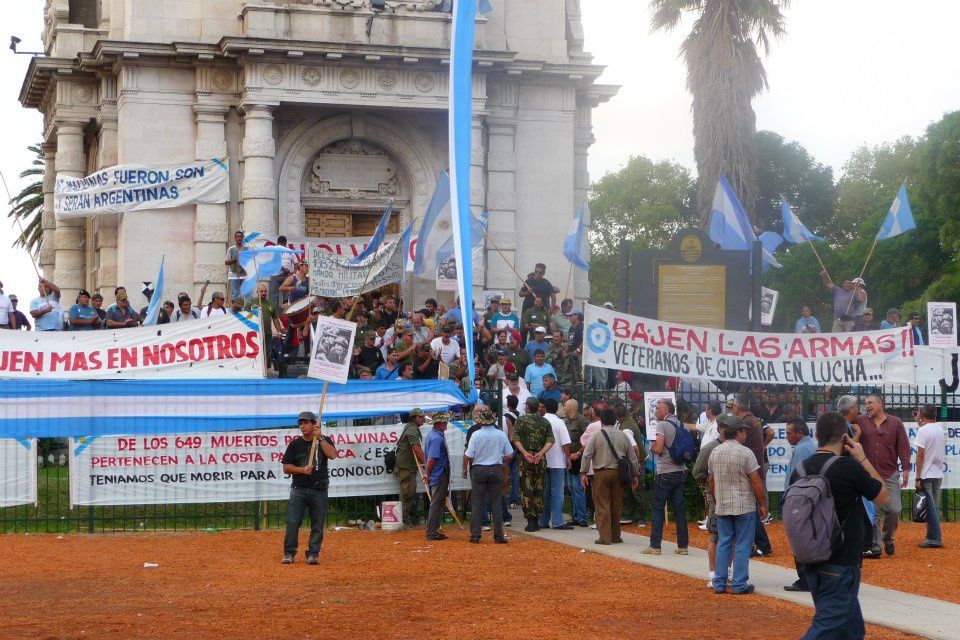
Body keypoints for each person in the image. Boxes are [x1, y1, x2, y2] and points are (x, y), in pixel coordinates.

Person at [793, 411, 887, 640]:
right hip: (841, 562)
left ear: (816, 435)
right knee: (828, 625)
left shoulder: (801, 469)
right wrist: (862, 458)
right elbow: (883, 496)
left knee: (853, 631)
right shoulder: (848, 467)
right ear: (845, 437)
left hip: (812, 560)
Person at [709, 415, 767, 595]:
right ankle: (739, 584)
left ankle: (719, 582)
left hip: (723, 504)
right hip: (743, 505)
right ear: (738, 432)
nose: (746, 435)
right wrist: (762, 504)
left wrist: (716, 497)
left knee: (723, 543)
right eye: (744, 431)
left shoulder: (715, 452)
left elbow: (711, 480)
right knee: (743, 544)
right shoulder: (746, 453)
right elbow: (755, 481)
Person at [280, 410, 338, 564]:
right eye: (301, 423)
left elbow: (332, 455)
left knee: (318, 523)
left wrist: (320, 439)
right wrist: (302, 470)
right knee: (293, 522)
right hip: (298, 489)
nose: (303, 426)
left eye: (306, 423)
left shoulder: (324, 440)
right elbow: (286, 467)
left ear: (314, 424)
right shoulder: (295, 444)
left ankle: (313, 554)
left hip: (319, 489)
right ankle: (289, 553)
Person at [855, 393, 909, 556]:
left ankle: (888, 538)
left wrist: (905, 468)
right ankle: (876, 546)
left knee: (893, 509)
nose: (867, 406)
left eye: (870, 402)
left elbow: (903, 446)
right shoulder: (860, 421)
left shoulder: (896, 423)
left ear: (880, 404)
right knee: (873, 512)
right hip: (869, 474)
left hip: (889, 472)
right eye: (865, 403)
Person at [580, 407, 639, 545]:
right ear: (615, 420)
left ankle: (605, 537)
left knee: (602, 505)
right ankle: (615, 536)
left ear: (601, 421)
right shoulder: (622, 435)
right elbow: (633, 457)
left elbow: (587, 454)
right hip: (619, 474)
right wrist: (634, 474)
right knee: (617, 505)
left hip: (600, 473)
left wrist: (583, 473)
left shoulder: (596, 435)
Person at [643, 399, 689, 555]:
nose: (656, 411)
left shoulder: (662, 425)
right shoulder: (682, 425)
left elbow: (659, 447)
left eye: (659, 409)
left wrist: (652, 447)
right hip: (681, 470)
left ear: (667, 410)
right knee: (679, 510)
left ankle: (655, 546)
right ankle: (683, 546)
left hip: (665, 472)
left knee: (657, 509)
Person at [731, 394, 774, 556]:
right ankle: (762, 544)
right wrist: (763, 446)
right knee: (752, 510)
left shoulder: (744, 424)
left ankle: (759, 544)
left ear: (737, 407)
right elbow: (770, 433)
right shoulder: (756, 420)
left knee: (749, 511)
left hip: (749, 470)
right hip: (756, 467)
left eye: (733, 407)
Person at [463, 406, 513, 544]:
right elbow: (509, 455)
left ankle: (475, 535)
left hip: (479, 469)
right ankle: (498, 536)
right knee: (496, 503)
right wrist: (498, 459)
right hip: (495, 469)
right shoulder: (501, 434)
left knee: (477, 503)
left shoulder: (476, 434)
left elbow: (468, 455)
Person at [783, 418, 817, 592]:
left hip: (800, 501)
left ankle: (805, 579)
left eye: (789, 433)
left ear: (799, 433)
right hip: (809, 500)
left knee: (799, 540)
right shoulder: (810, 445)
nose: (787, 436)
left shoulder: (803, 449)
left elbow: (798, 478)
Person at [692, 417, 727, 588]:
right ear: (720, 429)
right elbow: (697, 472)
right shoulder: (710, 448)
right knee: (715, 536)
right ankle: (713, 574)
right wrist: (708, 486)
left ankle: (727, 571)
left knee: (730, 538)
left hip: (730, 498)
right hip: (716, 498)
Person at [511, 396, 555, 531]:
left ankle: (530, 520)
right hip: (539, 459)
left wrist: (524, 452)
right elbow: (550, 440)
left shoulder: (520, 420)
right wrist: (541, 453)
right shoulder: (545, 421)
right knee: (539, 488)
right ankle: (537, 519)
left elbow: (515, 438)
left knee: (526, 488)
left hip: (526, 459)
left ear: (527, 407)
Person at [538, 398, 573, 530]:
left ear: (545, 408)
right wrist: (568, 458)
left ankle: (543, 519)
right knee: (557, 492)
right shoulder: (559, 422)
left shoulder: (541, 421)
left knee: (546, 491)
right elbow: (565, 443)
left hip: (543, 459)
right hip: (557, 461)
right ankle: (557, 520)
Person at [914, 404, 945, 549]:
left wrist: (918, 477)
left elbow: (920, 456)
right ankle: (932, 536)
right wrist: (919, 423)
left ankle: (934, 538)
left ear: (921, 415)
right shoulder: (939, 429)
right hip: (938, 472)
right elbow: (927, 430)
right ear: (935, 415)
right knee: (934, 506)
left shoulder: (922, 431)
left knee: (930, 508)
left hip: (926, 473)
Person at [615, 403, 648, 526]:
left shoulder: (625, 429)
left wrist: (637, 463)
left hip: (634, 461)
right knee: (630, 488)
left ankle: (641, 518)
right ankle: (629, 516)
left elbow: (635, 448)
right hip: (633, 461)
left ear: (619, 417)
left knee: (636, 489)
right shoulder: (630, 421)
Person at [394, 409, 426, 525]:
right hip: (406, 467)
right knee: (408, 493)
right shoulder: (412, 429)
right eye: (420, 417)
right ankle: (403, 520)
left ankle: (403, 519)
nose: (423, 419)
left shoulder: (411, 427)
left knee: (407, 493)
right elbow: (416, 449)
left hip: (406, 466)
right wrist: (426, 465)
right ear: (414, 418)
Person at [424, 411, 452, 541]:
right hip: (439, 473)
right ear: (438, 423)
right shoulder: (437, 438)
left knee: (437, 502)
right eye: (444, 422)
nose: (446, 423)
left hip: (437, 473)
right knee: (436, 503)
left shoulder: (433, 435)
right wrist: (427, 474)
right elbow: (431, 459)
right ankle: (431, 532)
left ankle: (433, 531)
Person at [563, 399, 590, 527]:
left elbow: (588, 439)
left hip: (579, 458)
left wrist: (578, 453)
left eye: (565, 405)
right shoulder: (566, 421)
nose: (564, 407)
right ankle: (576, 515)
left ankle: (582, 516)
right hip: (570, 458)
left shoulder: (581, 420)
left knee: (578, 488)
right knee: (572, 488)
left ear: (570, 407)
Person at [225, 230, 249, 299]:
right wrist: (234, 260)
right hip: (234, 274)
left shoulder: (247, 249)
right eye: (237, 236)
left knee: (246, 293)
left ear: (243, 238)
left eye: (240, 236)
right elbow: (226, 262)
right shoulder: (231, 249)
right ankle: (236, 309)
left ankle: (245, 309)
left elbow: (250, 260)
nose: (239, 238)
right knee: (235, 294)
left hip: (244, 274)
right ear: (235, 238)